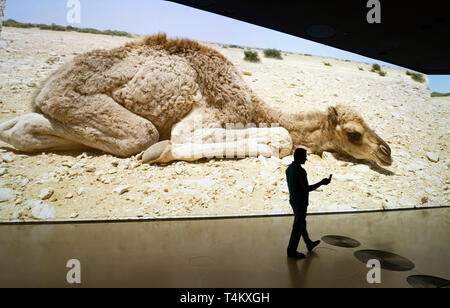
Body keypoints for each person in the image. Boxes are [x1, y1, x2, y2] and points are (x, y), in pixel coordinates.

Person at [285, 148, 332, 259]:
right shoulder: (300, 171)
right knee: (298, 226)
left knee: (301, 223)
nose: (306, 158)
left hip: (293, 200)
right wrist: (322, 182)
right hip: (300, 202)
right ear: (300, 157)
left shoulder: (289, 169)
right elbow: (306, 188)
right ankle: (291, 251)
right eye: (304, 156)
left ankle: (308, 243)